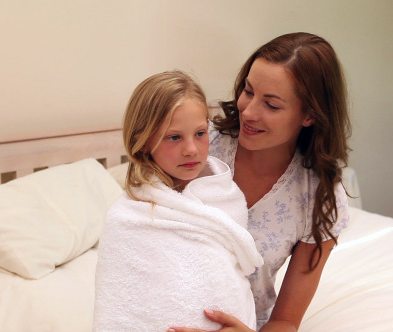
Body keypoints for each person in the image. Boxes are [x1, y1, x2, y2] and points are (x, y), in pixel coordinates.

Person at [168, 32, 351, 332]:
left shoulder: (318, 198)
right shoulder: (199, 146)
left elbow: (285, 320)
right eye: (248, 91)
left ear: (309, 115)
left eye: (272, 105)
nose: (249, 112)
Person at [93, 70, 264, 331]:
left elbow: (232, 279)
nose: (192, 149)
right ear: (144, 141)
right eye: (174, 137)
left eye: (200, 133)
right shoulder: (126, 220)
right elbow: (120, 309)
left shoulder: (226, 198)